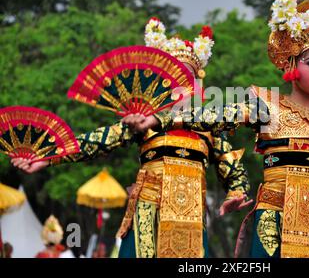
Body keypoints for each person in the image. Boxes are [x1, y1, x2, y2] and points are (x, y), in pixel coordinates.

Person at [138, 0, 309, 258]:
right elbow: (216, 115)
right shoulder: (267, 105)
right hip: (273, 229)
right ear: (290, 64)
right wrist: (162, 120)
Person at [11, 18, 250, 258]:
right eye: (174, 78)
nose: (180, 86)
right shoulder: (143, 120)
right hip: (148, 212)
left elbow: (234, 161)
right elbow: (98, 140)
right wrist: (49, 157)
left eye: (187, 79)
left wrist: (236, 192)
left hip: (190, 221)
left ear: (196, 85)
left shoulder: (208, 126)